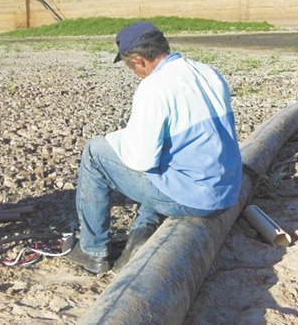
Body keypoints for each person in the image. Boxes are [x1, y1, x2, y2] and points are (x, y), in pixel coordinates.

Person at [65, 21, 242, 274]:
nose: (134, 72)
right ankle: (140, 236)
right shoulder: (207, 72)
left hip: (199, 199)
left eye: (130, 67)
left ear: (138, 60)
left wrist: (116, 141)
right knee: (166, 155)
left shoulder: (154, 87)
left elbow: (141, 160)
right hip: (227, 191)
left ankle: (92, 251)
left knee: (95, 153)